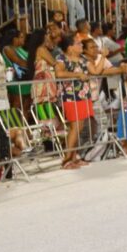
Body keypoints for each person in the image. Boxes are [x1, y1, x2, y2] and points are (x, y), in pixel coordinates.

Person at [54, 35, 92, 169]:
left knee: (79, 127)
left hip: (83, 95)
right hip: (70, 96)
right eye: (78, 44)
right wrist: (77, 75)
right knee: (74, 127)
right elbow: (59, 74)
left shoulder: (83, 59)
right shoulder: (61, 58)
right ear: (70, 47)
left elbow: (96, 71)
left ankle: (74, 157)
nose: (81, 46)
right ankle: (66, 160)